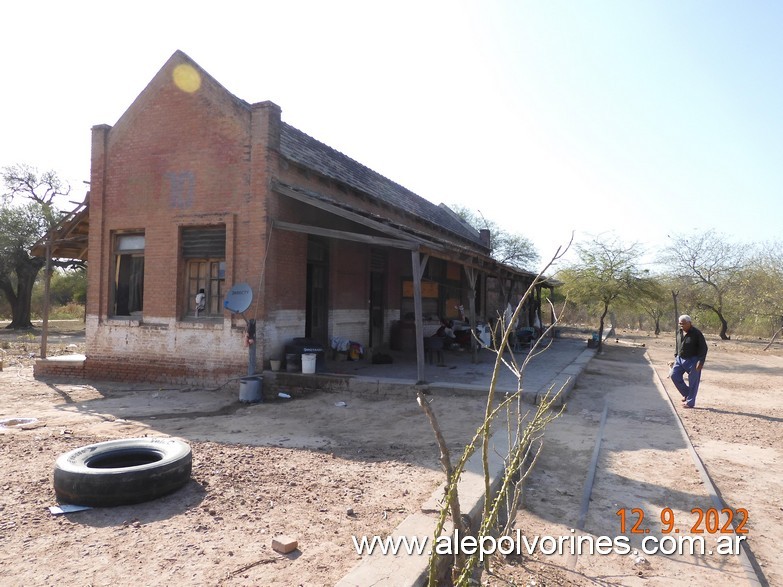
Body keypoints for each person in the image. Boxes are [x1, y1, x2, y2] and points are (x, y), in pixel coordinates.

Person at [670, 314, 708, 408]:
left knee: (693, 381)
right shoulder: (679, 332)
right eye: (680, 324)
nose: (682, 326)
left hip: (693, 360)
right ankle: (687, 393)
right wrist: (676, 356)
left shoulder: (696, 333)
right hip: (680, 359)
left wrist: (701, 361)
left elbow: (703, 348)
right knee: (674, 375)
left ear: (689, 323)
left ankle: (690, 402)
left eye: (683, 324)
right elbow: (677, 344)